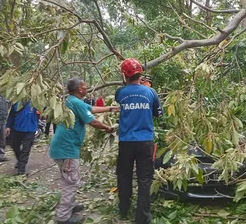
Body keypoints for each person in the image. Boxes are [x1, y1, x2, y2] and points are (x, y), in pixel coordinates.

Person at [49, 78, 119, 224]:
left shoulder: (71, 100)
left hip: (61, 147)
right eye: (85, 86)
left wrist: (111, 109)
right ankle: (63, 217)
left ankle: (70, 206)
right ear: (80, 89)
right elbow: (93, 121)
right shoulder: (76, 102)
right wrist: (108, 128)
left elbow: (90, 109)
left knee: (68, 179)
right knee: (70, 182)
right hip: (67, 149)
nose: (87, 88)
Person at [115, 58, 163, 224]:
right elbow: (159, 114)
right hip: (145, 142)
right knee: (144, 179)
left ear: (125, 75)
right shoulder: (151, 92)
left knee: (124, 175)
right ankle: (142, 217)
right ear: (140, 73)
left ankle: (123, 210)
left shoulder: (120, 93)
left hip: (126, 141)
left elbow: (120, 102)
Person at [6, 100, 39, 175]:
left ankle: (21, 170)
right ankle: (20, 160)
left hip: (30, 129)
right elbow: (11, 115)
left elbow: (43, 111)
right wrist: (8, 126)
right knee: (14, 145)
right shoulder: (17, 101)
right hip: (17, 128)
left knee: (26, 149)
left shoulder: (36, 101)